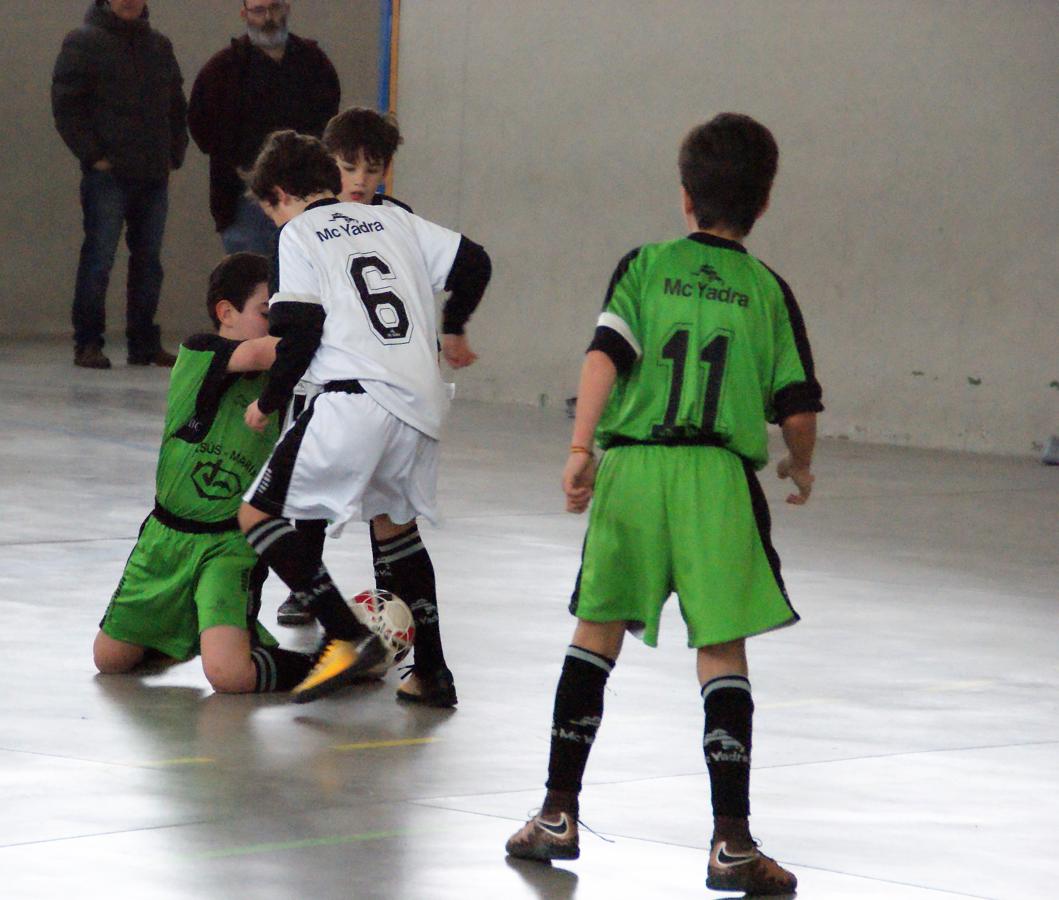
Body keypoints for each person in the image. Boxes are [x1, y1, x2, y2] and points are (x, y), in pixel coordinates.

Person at [504, 113, 823, 896]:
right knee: (721, 652)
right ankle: (731, 843)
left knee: (595, 634)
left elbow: (603, 357)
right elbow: (797, 407)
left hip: (635, 472)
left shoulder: (644, 267)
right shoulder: (767, 290)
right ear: (763, 202)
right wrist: (800, 465)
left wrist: (580, 451)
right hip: (717, 479)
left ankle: (556, 813)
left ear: (685, 198)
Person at [235, 130, 491, 707]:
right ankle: (432, 672)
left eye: (269, 212)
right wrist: (453, 325)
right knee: (395, 529)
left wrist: (268, 400)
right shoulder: (392, 219)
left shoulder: (300, 232)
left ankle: (346, 637)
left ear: (279, 194)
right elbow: (474, 261)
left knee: (257, 514)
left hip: (356, 396)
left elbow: (298, 330)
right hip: (421, 401)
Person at [93, 253, 314, 694]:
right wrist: (316, 325)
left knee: (229, 676)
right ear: (226, 313)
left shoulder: (286, 383)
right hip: (165, 539)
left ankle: (321, 665)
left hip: (228, 544)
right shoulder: (199, 351)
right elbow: (262, 350)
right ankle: (196, 628)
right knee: (110, 659)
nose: (276, 327)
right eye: (269, 314)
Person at [275, 106, 415, 628]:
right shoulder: (307, 226)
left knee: (388, 497)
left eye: (372, 169)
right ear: (326, 163)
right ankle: (306, 586)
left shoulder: (398, 220)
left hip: (383, 380)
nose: (359, 180)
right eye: (348, 166)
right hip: (323, 376)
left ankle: (392, 590)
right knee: (309, 486)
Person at [52, 0, 188, 370]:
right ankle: (88, 344)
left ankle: (144, 345)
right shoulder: (82, 41)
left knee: (149, 263)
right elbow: (66, 106)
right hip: (107, 176)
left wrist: (173, 154)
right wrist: (94, 155)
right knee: (99, 259)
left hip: (153, 173)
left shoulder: (159, 45)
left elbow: (177, 104)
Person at [187, 0, 340, 256]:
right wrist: (236, 164)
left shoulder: (314, 63)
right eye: (259, 10)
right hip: (245, 199)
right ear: (244, 13)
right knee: (253, 283)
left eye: (275, 8)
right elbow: (201, 125)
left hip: (304, 195)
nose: (269, 17)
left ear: (287, 8)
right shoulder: (222, 69)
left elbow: (329, 121)